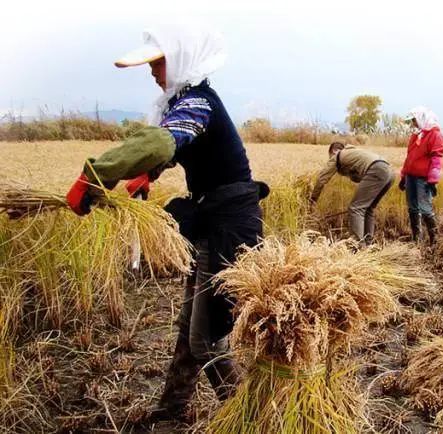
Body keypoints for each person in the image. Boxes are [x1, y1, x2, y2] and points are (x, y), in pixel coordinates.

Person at [65, 25, 266, 420]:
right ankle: (172, 408)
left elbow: (163, 141)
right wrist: (150, 173)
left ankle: (250, 419)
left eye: (159, 63)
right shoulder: (186, 102)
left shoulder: (198, 102)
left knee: (207, 339)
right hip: (212, 218)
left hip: (230, 226)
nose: (153, 72)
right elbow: (177, 146)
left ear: (181, 61)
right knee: (191, 326)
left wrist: (96, 173)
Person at [310, 142, 394, 246]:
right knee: (368, 209)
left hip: (377, 171)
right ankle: (368, 244)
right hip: (390, 172)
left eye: (329, 156)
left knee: (356, 208)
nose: (330, 159)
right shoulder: (353, 153)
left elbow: (321, 179)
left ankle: (357, 246)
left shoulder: (337, 155)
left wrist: (313, 199)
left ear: (334, 151)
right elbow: (358, 178)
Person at [399, 107, 443, 245]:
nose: (413, 123)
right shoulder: (416, 135)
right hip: (410, 177)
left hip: (423, 179)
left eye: (414, 120)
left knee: (425, 208)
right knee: (412, 208)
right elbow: (409, 158)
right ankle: (416, 240)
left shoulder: (435, 135)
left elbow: (437, 159)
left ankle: (434, 241)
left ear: (422, 118)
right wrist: (403, 177)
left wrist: (433, 181)